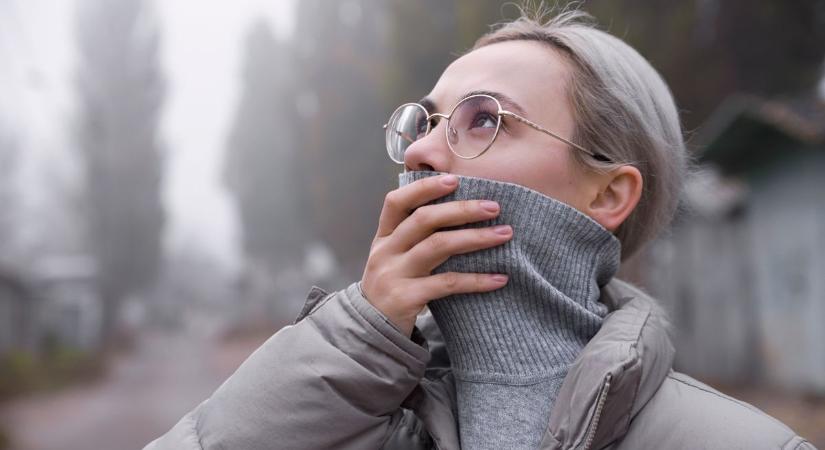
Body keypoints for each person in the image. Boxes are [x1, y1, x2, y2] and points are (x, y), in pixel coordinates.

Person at [145, 6, 816, 450]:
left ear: (609, 192)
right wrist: (354, 342)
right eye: (423, 123)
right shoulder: (347, 419)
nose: (418, 154)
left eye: (485, 119)